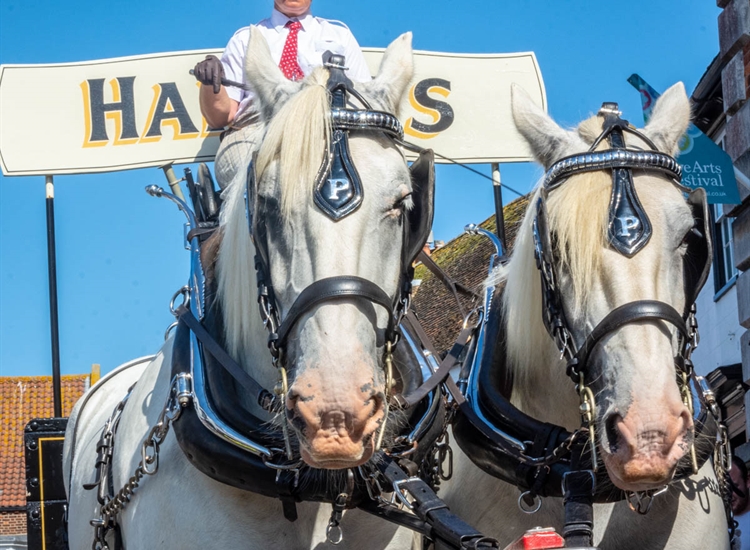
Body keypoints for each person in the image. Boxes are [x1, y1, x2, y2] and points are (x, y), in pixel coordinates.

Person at [193, 0, 372, 191]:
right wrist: (209, 83)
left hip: (325, 130)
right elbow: (220, 117)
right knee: (270, 176)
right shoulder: (246, 38)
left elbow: (364, 102)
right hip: (255, 131)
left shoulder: (339, 36)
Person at [731, 455, 750, 550]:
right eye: (724, 488)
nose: (729, 495)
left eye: (734, 486)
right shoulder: (718, 521)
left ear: (747, 481)